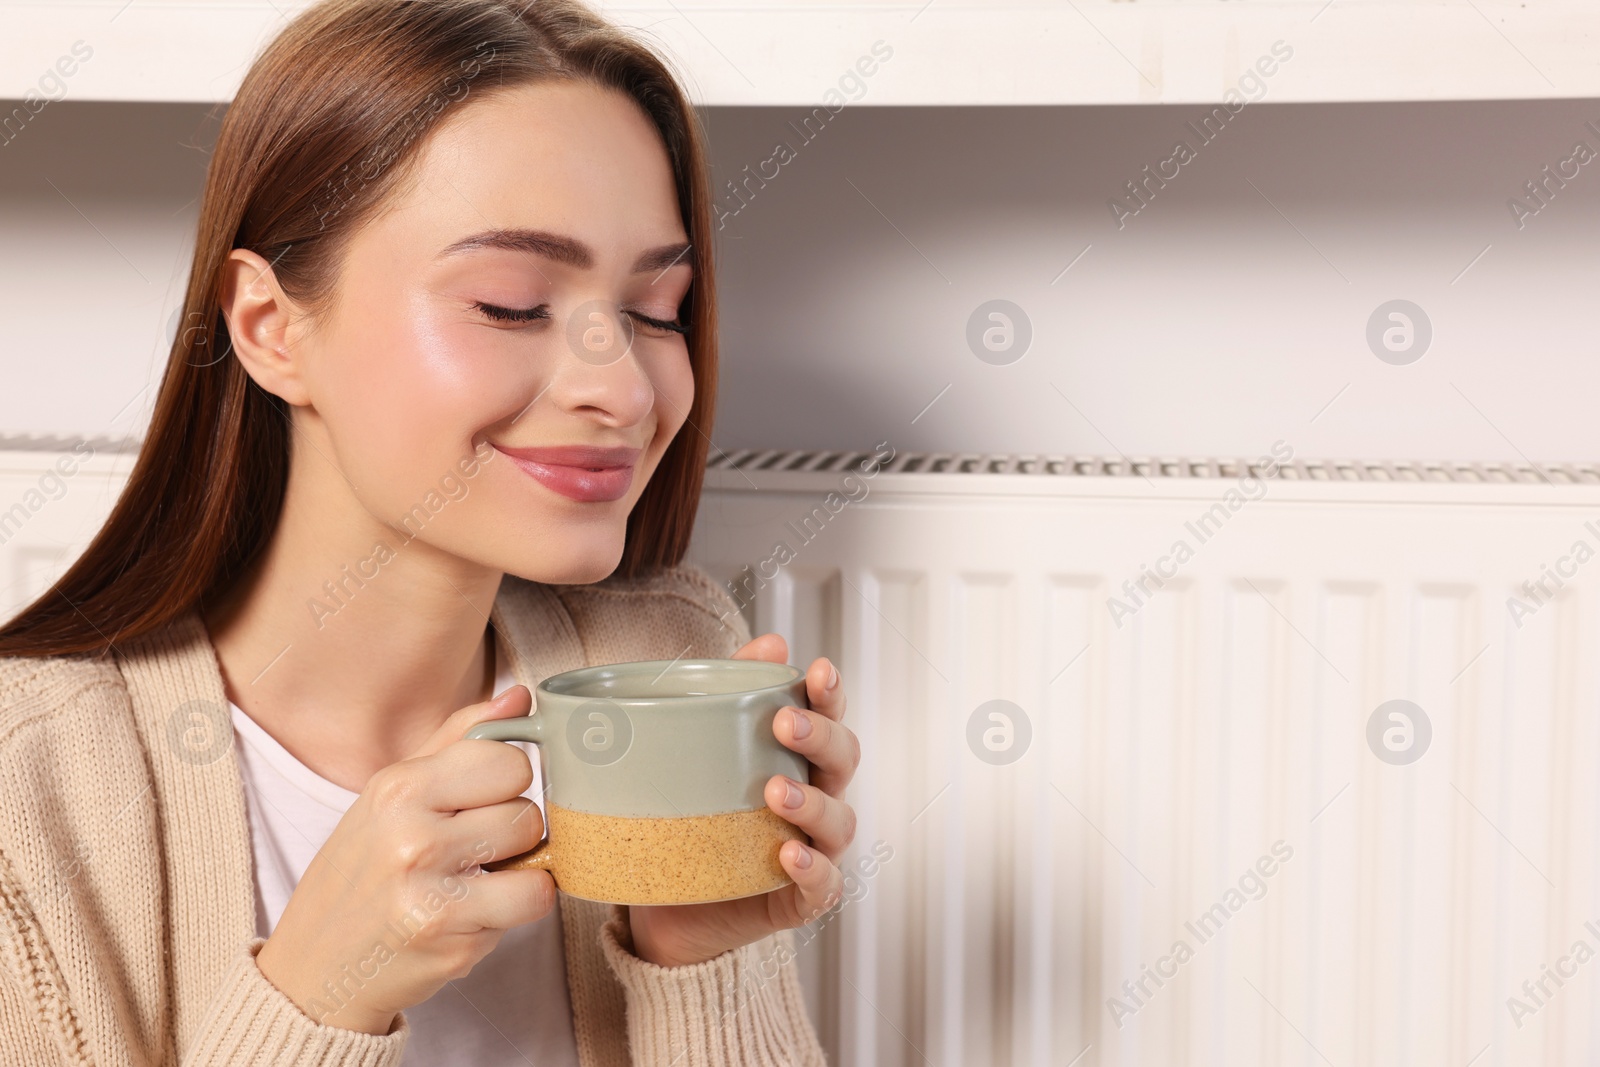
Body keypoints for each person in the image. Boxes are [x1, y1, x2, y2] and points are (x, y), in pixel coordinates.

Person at [0, 1, 861, 1063]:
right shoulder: (26, 791)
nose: (622, 386)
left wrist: (703, 958)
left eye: (656, 307)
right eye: (509, 303)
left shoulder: (658, 656)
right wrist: (316, 991)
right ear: (272, 329)